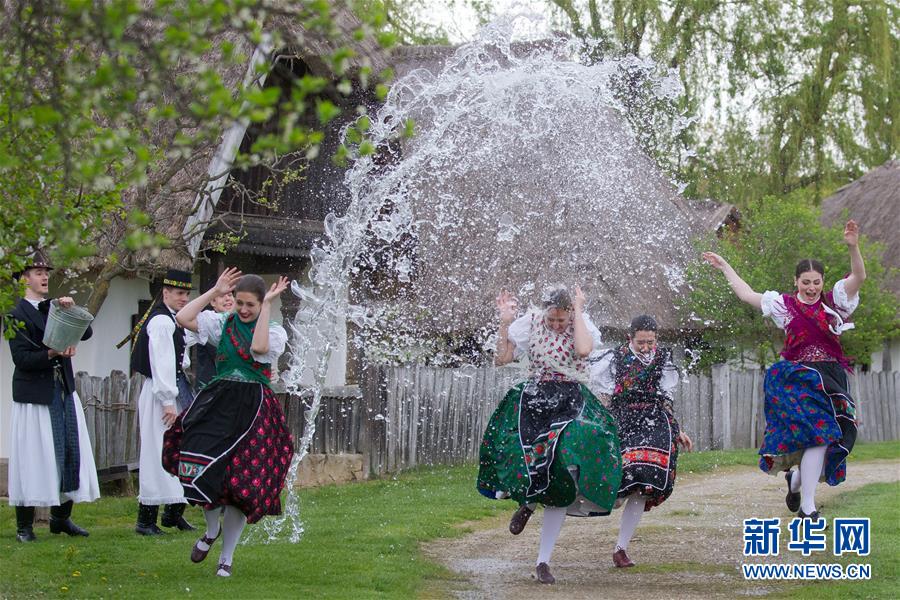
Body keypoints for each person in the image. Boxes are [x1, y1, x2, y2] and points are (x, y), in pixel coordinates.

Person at [702, 219, 865, 521]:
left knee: (833, 439)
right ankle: (808, 507)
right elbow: (746, 294)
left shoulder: (835, 304)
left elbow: (858, 276)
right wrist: (725, 266)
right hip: (799, 380)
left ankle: (796, 482)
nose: (812, 287)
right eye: (806, 282)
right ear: (796, 281)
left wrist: (853, 247)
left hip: (831, 379)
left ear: (822, 282)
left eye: (817, 282)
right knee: (818, 436)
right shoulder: (784, 306)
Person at [477, 285, 621, 585]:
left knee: (563, 469)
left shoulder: (580, 322)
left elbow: (583, 350)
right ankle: (527, 503)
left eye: (561, 320)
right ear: (544, 313)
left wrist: (578, 310)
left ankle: (543, 561)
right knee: (531, 462)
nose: (556, 325)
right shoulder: (529, 323)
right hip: (536, 397)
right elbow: (501, 359)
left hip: (570, 400)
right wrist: (504, 322)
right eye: (551, 320)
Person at [165, 268, 294, 577]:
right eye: (239, 303)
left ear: (262, 304)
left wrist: (268, 309)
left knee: (240, 484)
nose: (244, 310)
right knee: (201, 467)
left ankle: (227, 558)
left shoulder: (274, 331)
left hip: (253, 409)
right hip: (219, 402)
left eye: (251, 304)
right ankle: (211, 532)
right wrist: (214, 290)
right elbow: (183, 317)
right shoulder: (221, 322)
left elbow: (259, 349)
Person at [6, 250, 100, 541]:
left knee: (72, 450)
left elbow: (86, 334)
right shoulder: (15, 314)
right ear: (23, 278)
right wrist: (52, 353)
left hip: (63, 391)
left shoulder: (55, 307)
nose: (45, 276)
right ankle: (25, 526)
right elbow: (21, 359)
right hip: (34, 396)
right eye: (37, 272)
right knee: (34, 457)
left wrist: (71, 309)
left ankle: (61, 519)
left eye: (46, 271)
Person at [590, 315, 693, 567]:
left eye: (651, 342)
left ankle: (621, 548)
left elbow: (665, 398)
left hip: (654, 418)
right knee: (624, 474)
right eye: (641, 343)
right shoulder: (615, 358)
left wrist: (676, 429)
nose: (647, 347)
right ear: (630, 338)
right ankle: (612, 498)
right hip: (624, 417)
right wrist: (601, 423)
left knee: (645, 481)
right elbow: (605, 395)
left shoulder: (663, 359)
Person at [131, 268, 197, 534]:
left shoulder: (172, 320)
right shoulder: (161, 322)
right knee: (158, 450)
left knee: (178, 448)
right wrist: (168, 401)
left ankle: (173, 513)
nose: (183, 298)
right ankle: (145, 520)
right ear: (166, 292)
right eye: (179, 293)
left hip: (173, 390)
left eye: (186, 294)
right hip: (161, 394)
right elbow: (162, 364)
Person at [194, 291, 234, 390]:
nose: (228, 298)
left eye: (230, 295)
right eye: (222, 296)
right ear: (212, 302)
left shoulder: (239, 322)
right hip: (211, 388)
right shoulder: (207, 322)